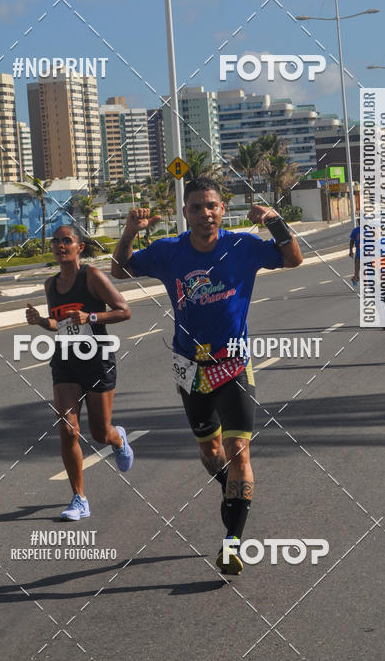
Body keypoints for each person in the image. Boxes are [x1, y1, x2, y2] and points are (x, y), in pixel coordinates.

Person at [111, 176, 303, 575]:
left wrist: (275, 220)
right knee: (211, 453)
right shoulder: (169, 252)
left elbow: (293, 259)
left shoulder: (242, 247)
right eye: (196, 207)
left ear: (222, 209)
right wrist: (129, 231)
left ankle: (232, 543)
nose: (205, 213)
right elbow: (119, 271)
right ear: (186, 213)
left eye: (211, 206)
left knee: (238, 453)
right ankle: (235, 496)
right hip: (189, 369)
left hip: (233, 362)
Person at [26, 224, 134, 521]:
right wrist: (40, 321)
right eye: (56, 241)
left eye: (67, 241)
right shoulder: (51, 285)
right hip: (66, 360)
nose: (60, 245)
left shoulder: (92, 276)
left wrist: (92, 316)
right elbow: (58, 324)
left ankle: (118, 439)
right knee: (67, 428)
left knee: (100, 433)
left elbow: (124, 310)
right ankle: (79, 498)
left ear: (79, 247)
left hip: (97, 358)